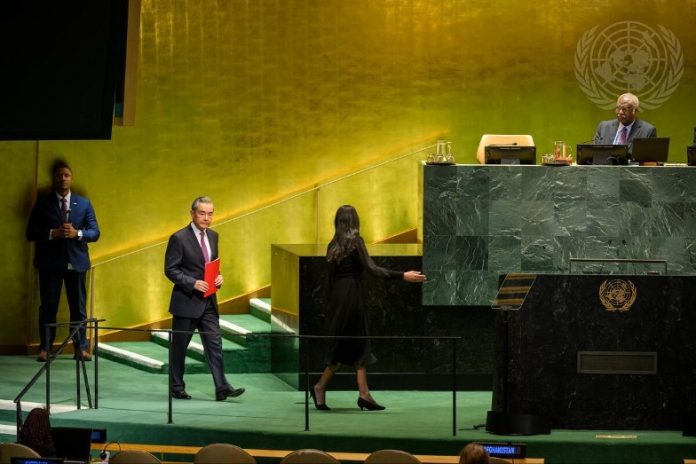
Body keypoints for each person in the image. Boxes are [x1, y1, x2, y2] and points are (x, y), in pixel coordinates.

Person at [311, 205, 426, 411]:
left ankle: (361, 393)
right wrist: (402, 276)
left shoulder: (332, 245)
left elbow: (329, 279)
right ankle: (324, 387)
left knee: (350, 345)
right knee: (355, 344)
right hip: (352, 298)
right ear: (354, 222)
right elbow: (372, 269)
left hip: (338, 299)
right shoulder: (356, 242)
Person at [164, 196, 245, 401]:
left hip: (208, 301)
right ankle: (177, 386)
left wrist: (218, 277)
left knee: (215, 345)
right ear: (192, 214)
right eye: (202, 213)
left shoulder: (214, 236)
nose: (206, 218)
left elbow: (211, 265)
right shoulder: (179, 238)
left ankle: (221, 387)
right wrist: (192, 283)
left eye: (210, 213)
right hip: (186, 301)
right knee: (180, 347)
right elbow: (170, 269)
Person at [26, 161, 100, 362]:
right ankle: (46, 348)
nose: (63, 178)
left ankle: (81, 348)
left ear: (71, 178)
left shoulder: (83, 203)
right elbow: (30, 233)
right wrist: (53, 233)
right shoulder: (43, 203)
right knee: (48, 306)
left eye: (66, 175)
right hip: (50, 264)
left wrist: (77, 233)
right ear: (54, 179)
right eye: (59, 175)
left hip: (76, 263)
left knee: (78, 306)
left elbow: (95, 233)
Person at [593, 92, 657, 156]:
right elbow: (595, 154)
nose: (620, 112)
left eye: (624, 109)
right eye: (618, 108)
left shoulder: (648, 131)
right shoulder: (604, 127)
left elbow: (649, 160)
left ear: (635, 111)